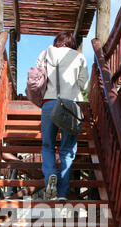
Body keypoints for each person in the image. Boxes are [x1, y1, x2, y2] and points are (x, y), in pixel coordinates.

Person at [36, 31, 89, 200]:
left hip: (49, 103)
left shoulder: (45, 53)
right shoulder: (79, 57)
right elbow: (83, 84)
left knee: (48, 145)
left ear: (57, 41)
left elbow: (38, 78)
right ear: (72, 43)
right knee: (67, 150)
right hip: (71, 105)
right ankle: (62, 193)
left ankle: (50, 174)